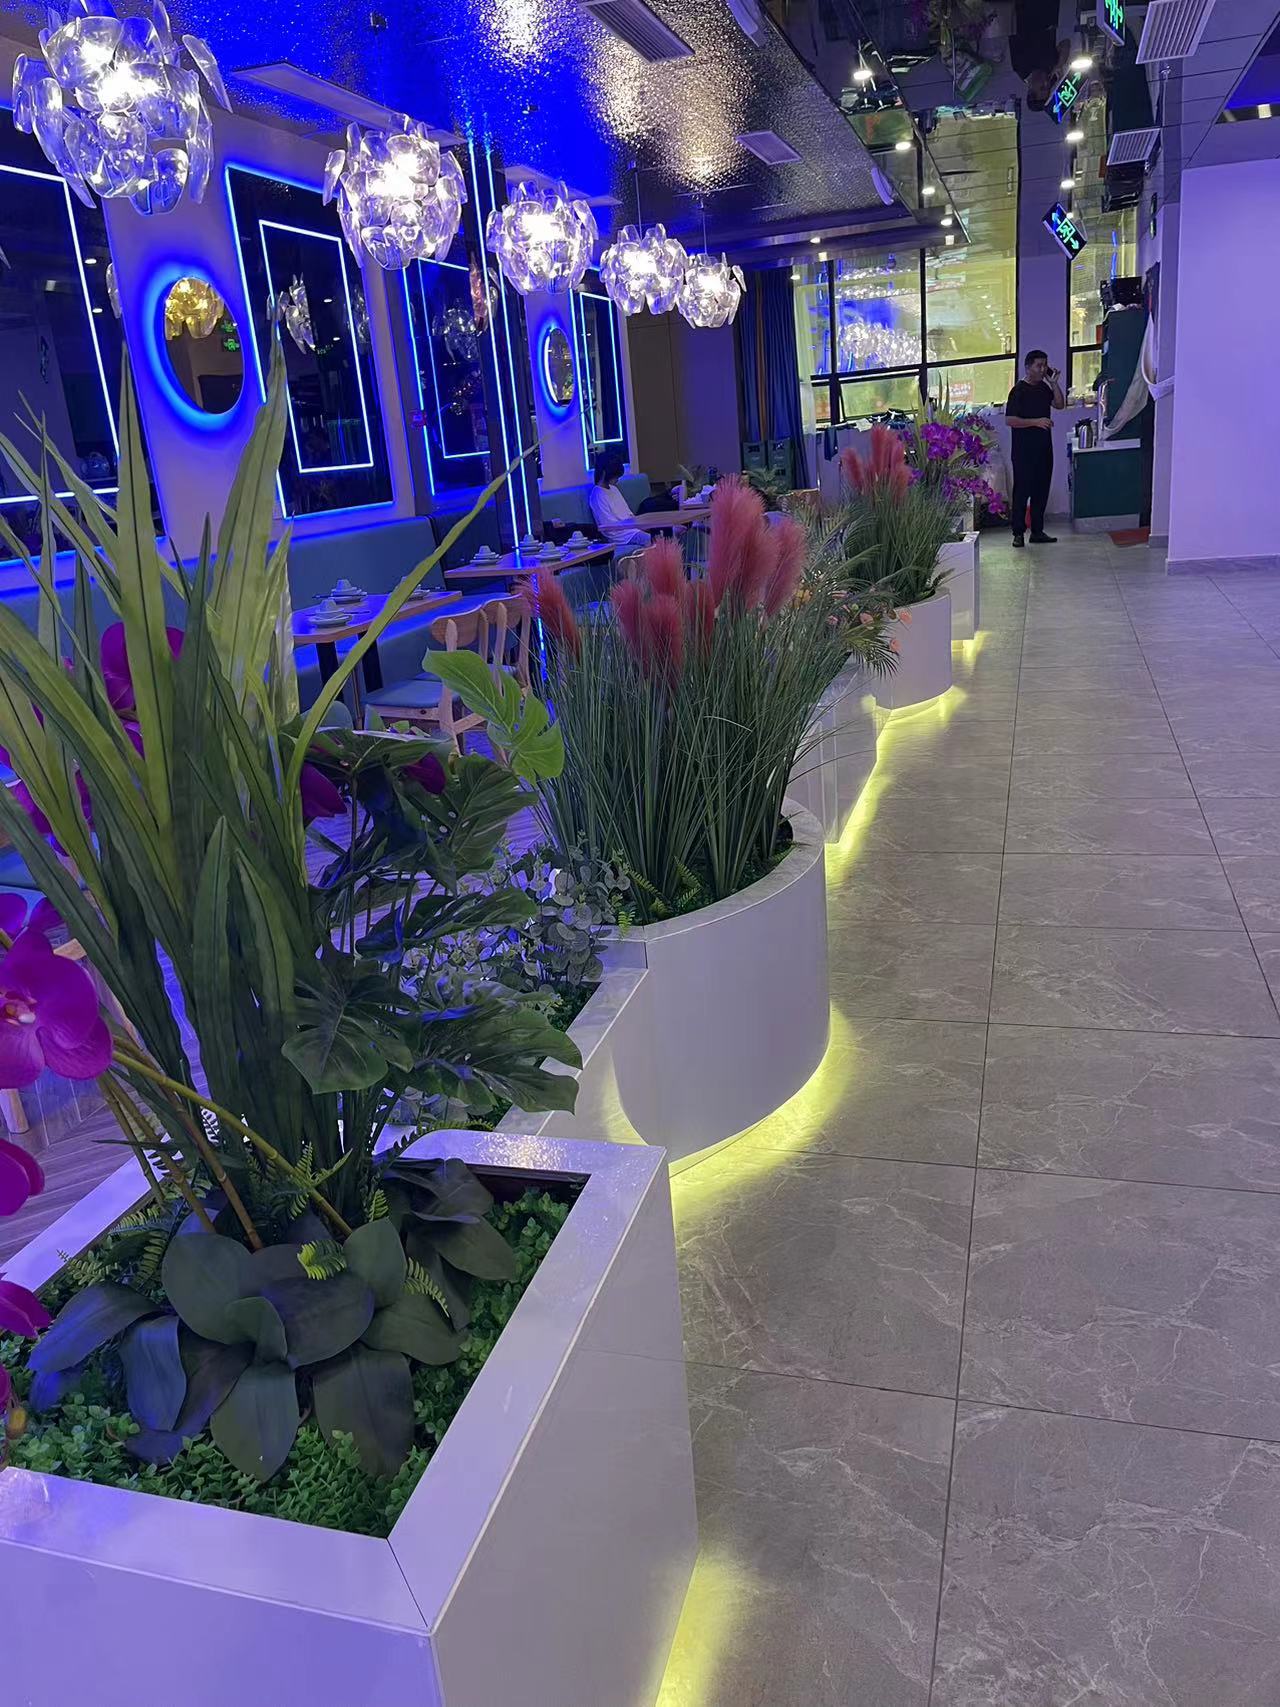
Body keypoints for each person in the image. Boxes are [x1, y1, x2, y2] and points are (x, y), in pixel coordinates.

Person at [1005, 349, 1065, 546]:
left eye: (1045, 365)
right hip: (1023, 452)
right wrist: (1036, 422)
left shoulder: (1044, 388)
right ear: (1028, 367)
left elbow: (1059, 404)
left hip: (1044, 449)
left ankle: (1037, 532)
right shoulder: (1018, 391)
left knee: (1041, 490)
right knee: (1022, 491)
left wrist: (1054, 383)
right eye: (1039, 365)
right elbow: (1010, 420)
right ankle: (1018, 533)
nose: (1042, 370)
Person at [1009, 0, 1070, 110]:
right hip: (1049, 9)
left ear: (1030, 90)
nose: (1046, 83)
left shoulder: (1020, 67)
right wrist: (1059, 65)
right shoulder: (1051, 69)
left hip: (1029, 9)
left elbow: (1014, 33)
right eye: (1047, 87)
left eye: (1042, 87)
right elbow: (1066, 43)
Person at [588, 450, 649, 552]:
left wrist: (640, 524)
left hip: (631, 529)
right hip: (620, 535)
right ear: (605, 473)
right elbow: (607, 526)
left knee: (661, 533)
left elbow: (628, 514)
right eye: (615, 476)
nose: (617, 479)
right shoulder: (597, 495)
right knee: (654, 540)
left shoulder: (614, 489)